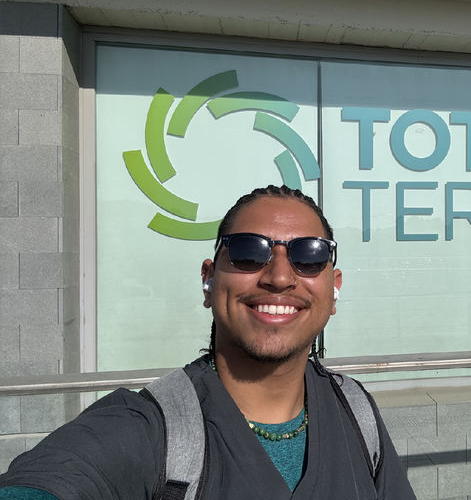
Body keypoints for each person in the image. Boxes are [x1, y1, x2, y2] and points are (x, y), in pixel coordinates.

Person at [0, 185, 416, 500]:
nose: (280, 277)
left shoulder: (356, 412)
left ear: (333, 288)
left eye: (310, 256)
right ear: (208, 278)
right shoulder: (148, 431)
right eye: (248, 253)